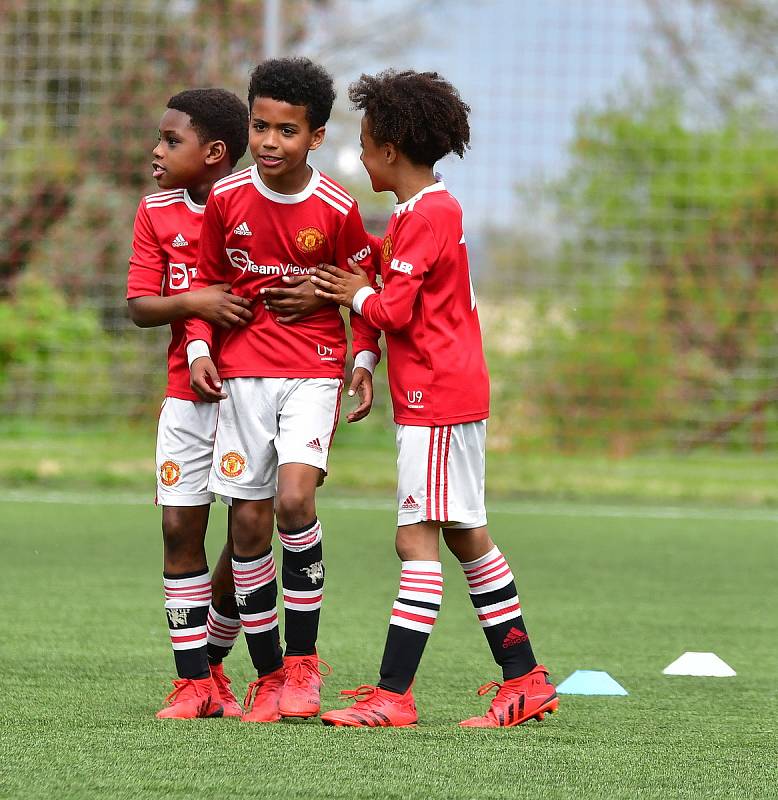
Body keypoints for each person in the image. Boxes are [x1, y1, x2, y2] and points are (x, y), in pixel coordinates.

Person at [310, 69, 558, 728]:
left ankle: (395, 695)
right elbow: (390, 296)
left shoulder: (429, 215)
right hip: (442, 393)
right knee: (466, 535)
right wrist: (363, 360)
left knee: (415, 538)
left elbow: (389, 305)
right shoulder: (422, 211)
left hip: (438, 398)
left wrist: (350, 294)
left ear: (390, 149)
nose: (360, 155)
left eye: (364, 144)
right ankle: (525, 679)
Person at [185, 57, 380, 723]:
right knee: (245, 519)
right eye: (260, 126)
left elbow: (364, 296)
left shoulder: (336, 209)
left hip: (313, 369)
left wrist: (363, 363)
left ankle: (304, 665)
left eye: (287, 131)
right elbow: (204, 284)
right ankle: (266, 675)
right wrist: (202, 345)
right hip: (240, 377)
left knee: (294, 499)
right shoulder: (228, 199)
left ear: (316, 138)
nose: (270, 142)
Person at [127, 88, 253, 720]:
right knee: (180, 525)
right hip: (185, 393)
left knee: (246, 532)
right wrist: (196, 303)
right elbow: (139, 306)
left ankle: (217, 667)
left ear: (214, 153)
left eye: (171, 141)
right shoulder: (155, 212)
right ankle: (190, 683)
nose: (157, 149)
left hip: (253, 390)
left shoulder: (257, 205)